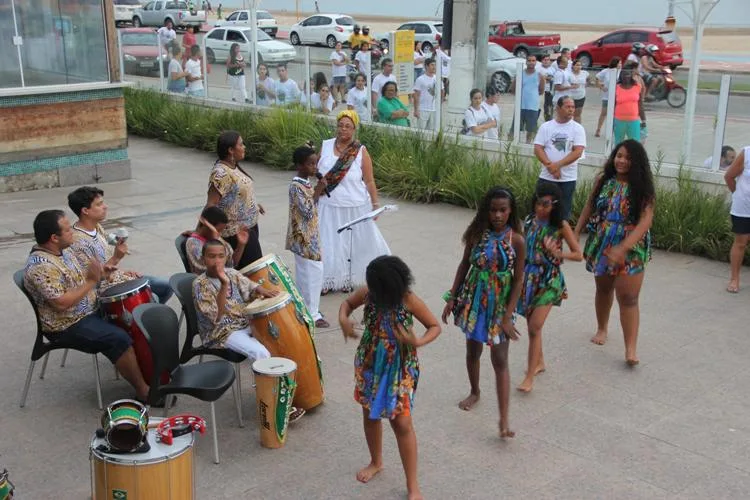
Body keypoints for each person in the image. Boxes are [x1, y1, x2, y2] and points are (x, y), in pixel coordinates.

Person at [339, 255, 441, 500]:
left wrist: (417, 341)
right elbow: (346, 304)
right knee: (370, 413)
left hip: (399, 367)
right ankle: (376, 462)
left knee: (402, 423)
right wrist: (343, 319)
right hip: (370, 363)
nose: (373, 292)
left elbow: (434, 326)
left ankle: (413, 485)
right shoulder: (368, 292)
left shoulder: (407, 299)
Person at [24, 210, 150, 402]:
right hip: (66, 324)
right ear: (54, 238)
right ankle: (144, 391)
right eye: (67, 230)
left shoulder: (64, 251)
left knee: (133, 320)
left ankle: (148, 373)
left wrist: (105, 269)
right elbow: (62, 303)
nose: (72, 232)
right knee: (119, 338)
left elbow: (83, 276)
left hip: (88, 309)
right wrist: (92, 281)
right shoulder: (40, 267)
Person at [442, 187, 525, 438]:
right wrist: (452, 297)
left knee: (500, 360)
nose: (498, 215)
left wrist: (507, 316)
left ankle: (504, 420)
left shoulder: (517, 240)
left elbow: (519, 280)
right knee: (473, 350)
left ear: (510, 211)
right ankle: (475, 390)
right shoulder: (477, 234)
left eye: (503, 210)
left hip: (499, 306)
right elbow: (464, 264)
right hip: (474, 301)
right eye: (493, 210)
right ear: (486, 211)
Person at [192, 241, 306, 420]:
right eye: (211, 256)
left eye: (221, 256)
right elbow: (217, 316)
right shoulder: (200, 285)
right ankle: (274, 405)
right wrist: (223, 286)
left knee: (277, 338)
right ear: (203, 259)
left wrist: (263, 291)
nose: (216, 260)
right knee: (260, 352)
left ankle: (289, 390)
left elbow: (250, 286)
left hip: (244, 322)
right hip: (222, 332)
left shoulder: (231, 273)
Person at [574, 140, 655, 365]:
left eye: (628, 158)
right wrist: (575, 232)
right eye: (619, 155)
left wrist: (624, 247)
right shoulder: (603, 181)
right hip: (603, 240)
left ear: (636, 162)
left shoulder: (643, 187)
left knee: (629, 298)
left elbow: (646, 221)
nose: (621, 161)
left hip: (632, 245)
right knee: (603, 288)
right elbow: (589, 206)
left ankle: (631, 350)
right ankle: (602, 328)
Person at [516, 183, 582, 393]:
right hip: (528, 277)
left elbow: (578, 254)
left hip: (549, 279)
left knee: (535, 326)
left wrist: (559, 254)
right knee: (531, 326)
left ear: (555, 204)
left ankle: (529, 376)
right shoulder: (528, 221)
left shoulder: (560, 226)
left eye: (546, 204)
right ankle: (540, 362)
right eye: (538, 203)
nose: (541, 208)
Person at [317, 110, 391, 292]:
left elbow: (369, 180)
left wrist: (375, 204)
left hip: (354, 205)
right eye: (340, 125)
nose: (343, 129)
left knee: (351, 245)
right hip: (329, 204)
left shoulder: (360, 151)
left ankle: (348, 279)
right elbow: (315, 170)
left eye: (348, 126)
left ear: (354, 129)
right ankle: (327, 279)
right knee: (328, 242)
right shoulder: (325, 146)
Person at [67, 186, 173, 304]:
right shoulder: (78, 242)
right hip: (103, 290)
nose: (105, 206)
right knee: (152, 298)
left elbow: (105, 263)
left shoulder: (96, 226)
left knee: (167, 286)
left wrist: (122, 272)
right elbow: (92, 280)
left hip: (116, 277)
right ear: (85, 211)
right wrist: (116, 258)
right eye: (99, 204)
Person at [204, 131, 265, 269]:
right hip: (236, 234)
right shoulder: (221, 173)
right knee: (252, 273)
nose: (244, 147)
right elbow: (211, 205)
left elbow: (236, 194)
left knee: (252, 272)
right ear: (231, 150)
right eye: (241, 144)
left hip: (249, 228)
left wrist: (253, 205)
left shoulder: (233, 167)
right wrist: (199, 232)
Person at [287, 145, 330, 328]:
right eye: (310, 164)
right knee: (310, 274)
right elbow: (306, 211)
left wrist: (317, 190)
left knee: (312, 273)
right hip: (303, 239)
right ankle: (311, 314)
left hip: (309, 237)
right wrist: (319, 189)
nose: (315, 167)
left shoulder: (305, 184)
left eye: (316, 163)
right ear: (299, 166)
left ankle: (308, 309)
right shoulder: (296, 186)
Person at [533, 96, 587, 221]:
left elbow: (578, 152)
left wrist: (557, 166)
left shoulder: (578, 129)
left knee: (563, 214)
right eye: (567, 106)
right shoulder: (546, 127)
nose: (571, 110)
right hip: (546, 177)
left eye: (573, 107)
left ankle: (558, 239)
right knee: (542, 210)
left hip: (567, 179)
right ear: (558, 108)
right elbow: (538, 149)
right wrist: (550, 166)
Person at [186, 206, 246, 274]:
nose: (219, 234)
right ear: (207, 225)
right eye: (218, 230)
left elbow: (231, 264)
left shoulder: (215, 237)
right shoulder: (193, 244)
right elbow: (213, 269)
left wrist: (241, 245)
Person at [724, 146, 750, 293]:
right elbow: (729, 176)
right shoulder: (747, 153)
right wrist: (738, 194)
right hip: (744, 208)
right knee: (741, 243)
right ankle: (734, 279)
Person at [510, 54, 544, 143]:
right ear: (526, 62)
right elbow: (513, 90)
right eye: (529, 60)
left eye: (533, 60)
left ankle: (528, 145)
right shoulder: (520, 74)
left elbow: (541, 91)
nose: (531, 62)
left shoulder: (539, 76)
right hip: (520, 105)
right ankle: (512, 145)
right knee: (515, 128)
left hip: (533, 106)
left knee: (531, 129)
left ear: (536, 62)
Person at [613, 65, 645, 144]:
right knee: (618, 143)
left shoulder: (637, 87)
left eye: (628, 74)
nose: (626, 76)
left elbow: (640, 104)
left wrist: (643, 120)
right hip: (618, 120)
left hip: (634, 120)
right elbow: (612, 105)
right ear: (621, 75)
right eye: (624, 74)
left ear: (631, 75)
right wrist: (611, 122)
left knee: (634, 143)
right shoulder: (616, 88)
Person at [595, 57, 622, 137]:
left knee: (616, 114)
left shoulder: (621, 72)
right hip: (607, 96)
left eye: (621, 63)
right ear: (615, 63)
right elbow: (597, 78)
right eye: (619, 63)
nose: (620, 65)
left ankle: (614, 130)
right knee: (604, 113)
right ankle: (598, 129)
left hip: (617, 96)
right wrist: (601, 86)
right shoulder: (606, 71)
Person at [412, 58, 440, 130]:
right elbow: (416, 95)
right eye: (432, 65)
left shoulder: (438, 78)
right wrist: (416, 110)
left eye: (435, 65)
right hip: (423, 109)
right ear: (426, 66)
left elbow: (442, 91)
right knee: (421, 132)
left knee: (431, 133)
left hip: (434, 110)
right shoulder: (420, 79)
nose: (434, 67)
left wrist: (439, 105)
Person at [567, 59, 589, 123]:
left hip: (581, 96)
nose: (579, 67)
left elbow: (588, 80)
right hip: (570, 97)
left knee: (577, 114)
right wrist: (571, 85)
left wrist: (587, 84)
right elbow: (566, 83)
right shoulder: (568, 74)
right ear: (573, 66)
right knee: (569, 114)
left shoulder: (585, 73)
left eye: (580, 65)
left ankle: (578, 129)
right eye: (577, 65)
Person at [538, 54, 556, 122]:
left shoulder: (553, 69)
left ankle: (548, 120)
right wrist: (544, 78)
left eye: (548, 60)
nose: (546, 61)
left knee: (549, 107)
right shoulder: (538, 69)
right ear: (542, 61)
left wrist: (549, 78)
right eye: (544, 60)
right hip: (541, 91)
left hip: (550, 91)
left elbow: (555, 78)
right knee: (539, 107)